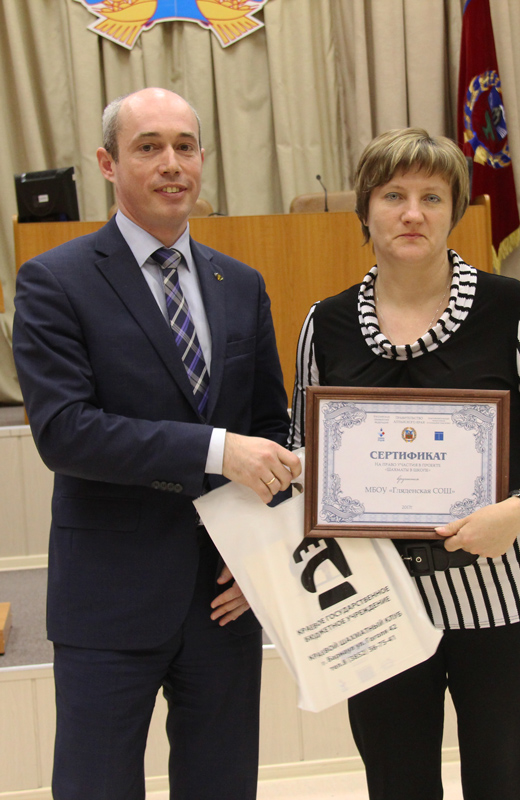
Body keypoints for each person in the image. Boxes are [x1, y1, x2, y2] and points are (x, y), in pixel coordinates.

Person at [288, 128, 520, 800]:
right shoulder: (326, 323)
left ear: (454, 211)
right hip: (375, 604)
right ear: (364, 210)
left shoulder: (510, 308)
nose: (412, 213)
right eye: (393, 195)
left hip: (501, 591)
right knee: (395, 782)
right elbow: (303, 453)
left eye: (432, 197)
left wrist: (517, 511)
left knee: (502, 779)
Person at [13, 87, 301, 800]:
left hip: (224, 596)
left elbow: (270, 426)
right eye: (148, 147)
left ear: (202, 158)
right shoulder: (54, 281)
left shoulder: (241, 284)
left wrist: (259, 551)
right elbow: (66, 432)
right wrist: (216, 449)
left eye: (184, 146)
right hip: (110, 597)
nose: (171, 163)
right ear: (108, 163)